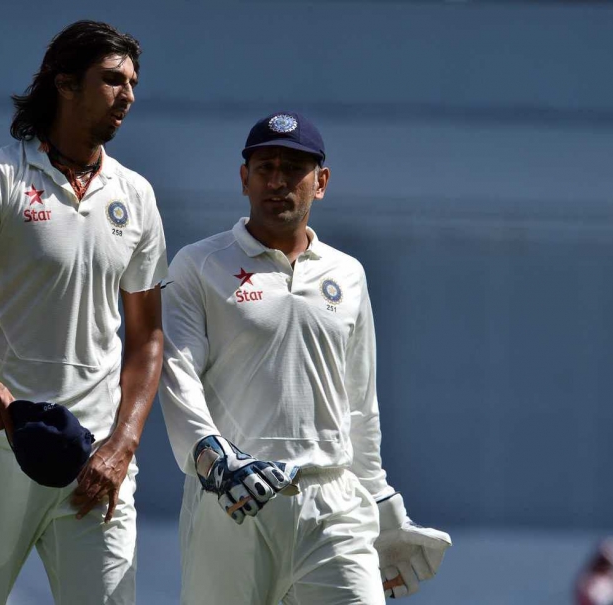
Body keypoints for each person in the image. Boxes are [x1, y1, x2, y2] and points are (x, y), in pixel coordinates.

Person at [0, 20, 167, 604]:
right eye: (111, 80)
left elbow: (148, 337)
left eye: (132, 82)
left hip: (96, 461)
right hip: (2, 446)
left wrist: (122, 444)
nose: (127, 94)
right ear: (65, 84)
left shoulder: (136, 196)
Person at [158, 111, 451, 604]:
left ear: (321, 182)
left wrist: (378, 498)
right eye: (265, 166)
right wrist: (213, 458)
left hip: (333, 503)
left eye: (294, 168)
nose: (278, 181)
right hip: (233, 499)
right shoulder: (199, 264)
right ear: (243, 178)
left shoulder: (348, 273)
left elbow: (359, 399)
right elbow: (176, 371)